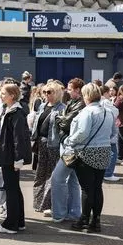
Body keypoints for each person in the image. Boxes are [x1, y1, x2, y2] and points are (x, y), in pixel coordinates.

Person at [64, 83, 116, 233]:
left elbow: (83, 133)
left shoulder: (87, 112)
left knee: (86, 188)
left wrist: (69, 141)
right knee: (97, 187)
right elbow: (113, 133)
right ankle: (96, 220)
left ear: (86, 96)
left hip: (86, 152)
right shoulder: (108, 112)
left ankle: (84, 219)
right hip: (104, 151)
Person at [0, 83, 30, 234]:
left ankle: (11, 224)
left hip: (10, 157)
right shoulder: (9, 110)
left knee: (12, 190)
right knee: (14, 189)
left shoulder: (16, 113)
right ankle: (19, 221)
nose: (1, 96)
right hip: (7, 155)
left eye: (3, 93)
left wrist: (18, 159)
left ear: (12, 96)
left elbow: (18, 138)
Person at [49, 78, 85, 220]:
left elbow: (65, 123)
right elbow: (63, 121)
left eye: (70, 89)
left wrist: (60, 119)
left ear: (77, 90)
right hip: (69, 144)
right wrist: (61, 120)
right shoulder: (72, 103)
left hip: (71, 147)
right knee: (72, 180)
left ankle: (59, 213)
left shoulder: (80, 105)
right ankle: (74, 212)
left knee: (57, 178)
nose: (67, 92)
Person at [31, 82, 66, 215]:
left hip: (54, 145)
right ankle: (38, 202)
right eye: (45, 92)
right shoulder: (42, 106)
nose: (46, 94)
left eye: (49, 92)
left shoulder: (62, 108)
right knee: (40, 173)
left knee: (51, 175)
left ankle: (49, 205)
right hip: (41, 143)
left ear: (56, 93)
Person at [100, 86, 120, 182]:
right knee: (113, 153)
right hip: (109, 132)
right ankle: (108, 173)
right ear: (106, 93)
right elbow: (115, 112)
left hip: (102, 133)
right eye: (109, 92)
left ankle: (105, 172)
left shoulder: (97, 101)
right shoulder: (105, 102)